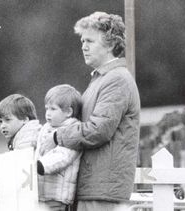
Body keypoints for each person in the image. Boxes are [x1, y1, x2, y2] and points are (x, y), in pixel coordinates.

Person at [46, 11, 141, 211]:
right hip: (94, 187)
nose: (83, 46)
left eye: (90, 41)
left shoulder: (116, 80)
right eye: (82, 40)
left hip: (103, 191)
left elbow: (98, 130)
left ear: (111, 44)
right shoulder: (101, 79)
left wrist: (57, 135)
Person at [35, 84, 82, 211]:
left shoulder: (72, 131)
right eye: (47, 109)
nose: (48, 113)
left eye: (53, 109)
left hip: (57, 195)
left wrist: (40, 165)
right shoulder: (46, 128)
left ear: (68, 112)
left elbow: (63, 156)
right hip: (41, 192)